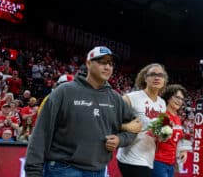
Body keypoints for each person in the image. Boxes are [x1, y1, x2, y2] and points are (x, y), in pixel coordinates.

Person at [25, 46, 140, 177]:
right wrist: (33, 171)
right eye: (102, 62)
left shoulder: (115, 98)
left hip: (99, 170)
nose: (108, 67)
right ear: (88, 63)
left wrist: (120, 140)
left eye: (110, 63)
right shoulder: (64, 91)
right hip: (63, 169)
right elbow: (41, 133)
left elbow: (135, 125)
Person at [116, 63, 168, 177]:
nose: (157, 77)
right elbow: (109, 118)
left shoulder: (162, 103)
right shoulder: (132, 98)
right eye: (153, 74)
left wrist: (164, 134)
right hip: (130, 157)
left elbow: (159, 130)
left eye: (160, 75)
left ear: (164, 80)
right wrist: (126, 127)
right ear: (145, 78)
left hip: (148, 158)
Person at [152, 84, 189, 177]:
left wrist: (183, 152)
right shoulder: (160, 114)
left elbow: (179, 140)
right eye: (177, 97)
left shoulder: (178, 119)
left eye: (181, 99)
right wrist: (165, 133)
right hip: (158, 162)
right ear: (168, 98)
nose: (179, 101)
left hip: (171, 163)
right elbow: (154, 138)